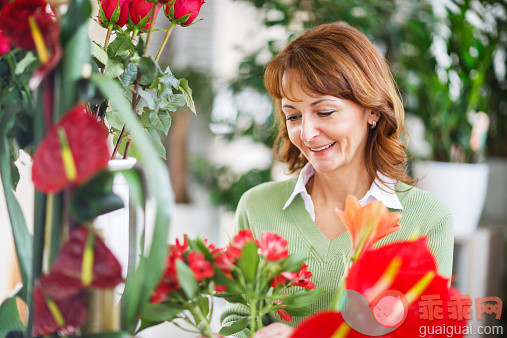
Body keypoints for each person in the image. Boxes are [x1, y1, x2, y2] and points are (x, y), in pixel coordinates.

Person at [220, 22, 454, 338]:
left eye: (325, 112)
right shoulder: (257, 206)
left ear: (372, 110)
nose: (306, 132)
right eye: (293, 116)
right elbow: (236, 319)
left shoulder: (427, 219)